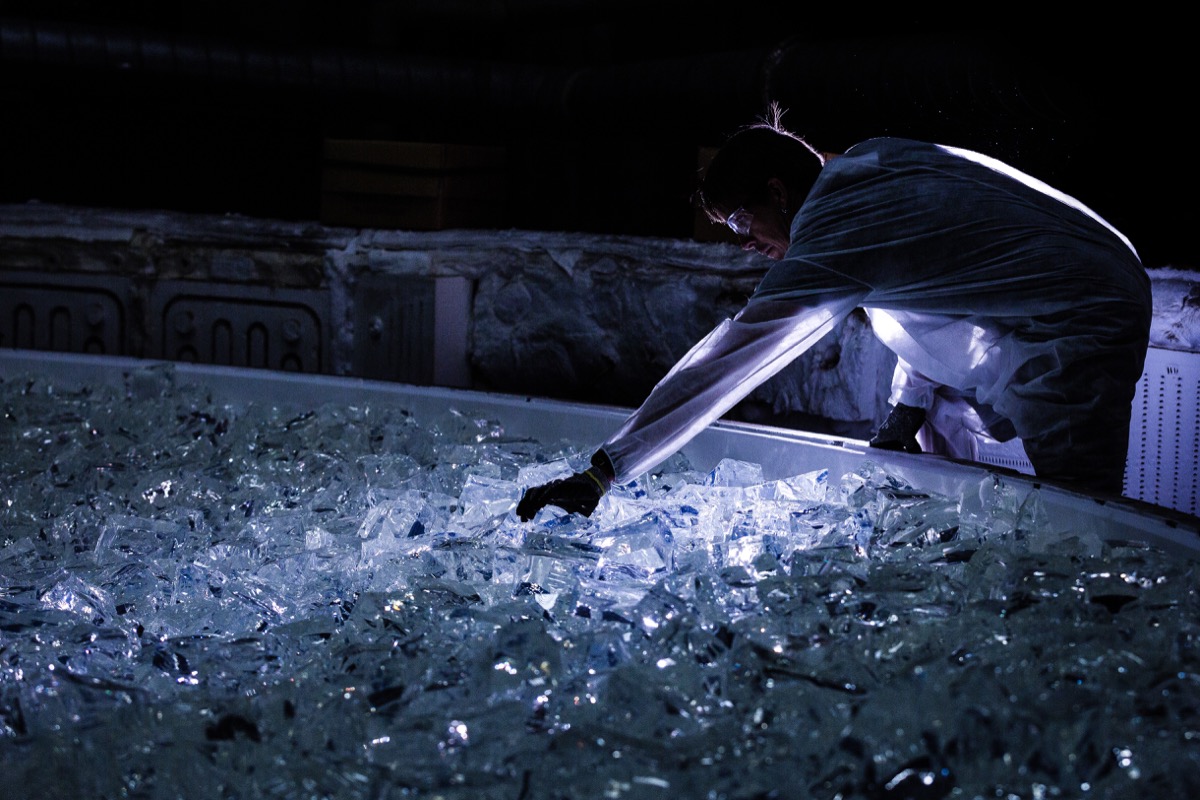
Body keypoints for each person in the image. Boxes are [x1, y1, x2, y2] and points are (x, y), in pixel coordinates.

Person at [516, 104, 1151, 521]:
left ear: (777, 191)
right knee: (928, 439)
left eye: (743, 222)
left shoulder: (835, 223)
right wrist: (906, 407)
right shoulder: (867, 168)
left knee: (1087, 525)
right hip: (1088, 277)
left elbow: (731, 360)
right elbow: (934, 284)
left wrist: (607, 470)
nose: (746, 243)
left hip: (1081, 307)